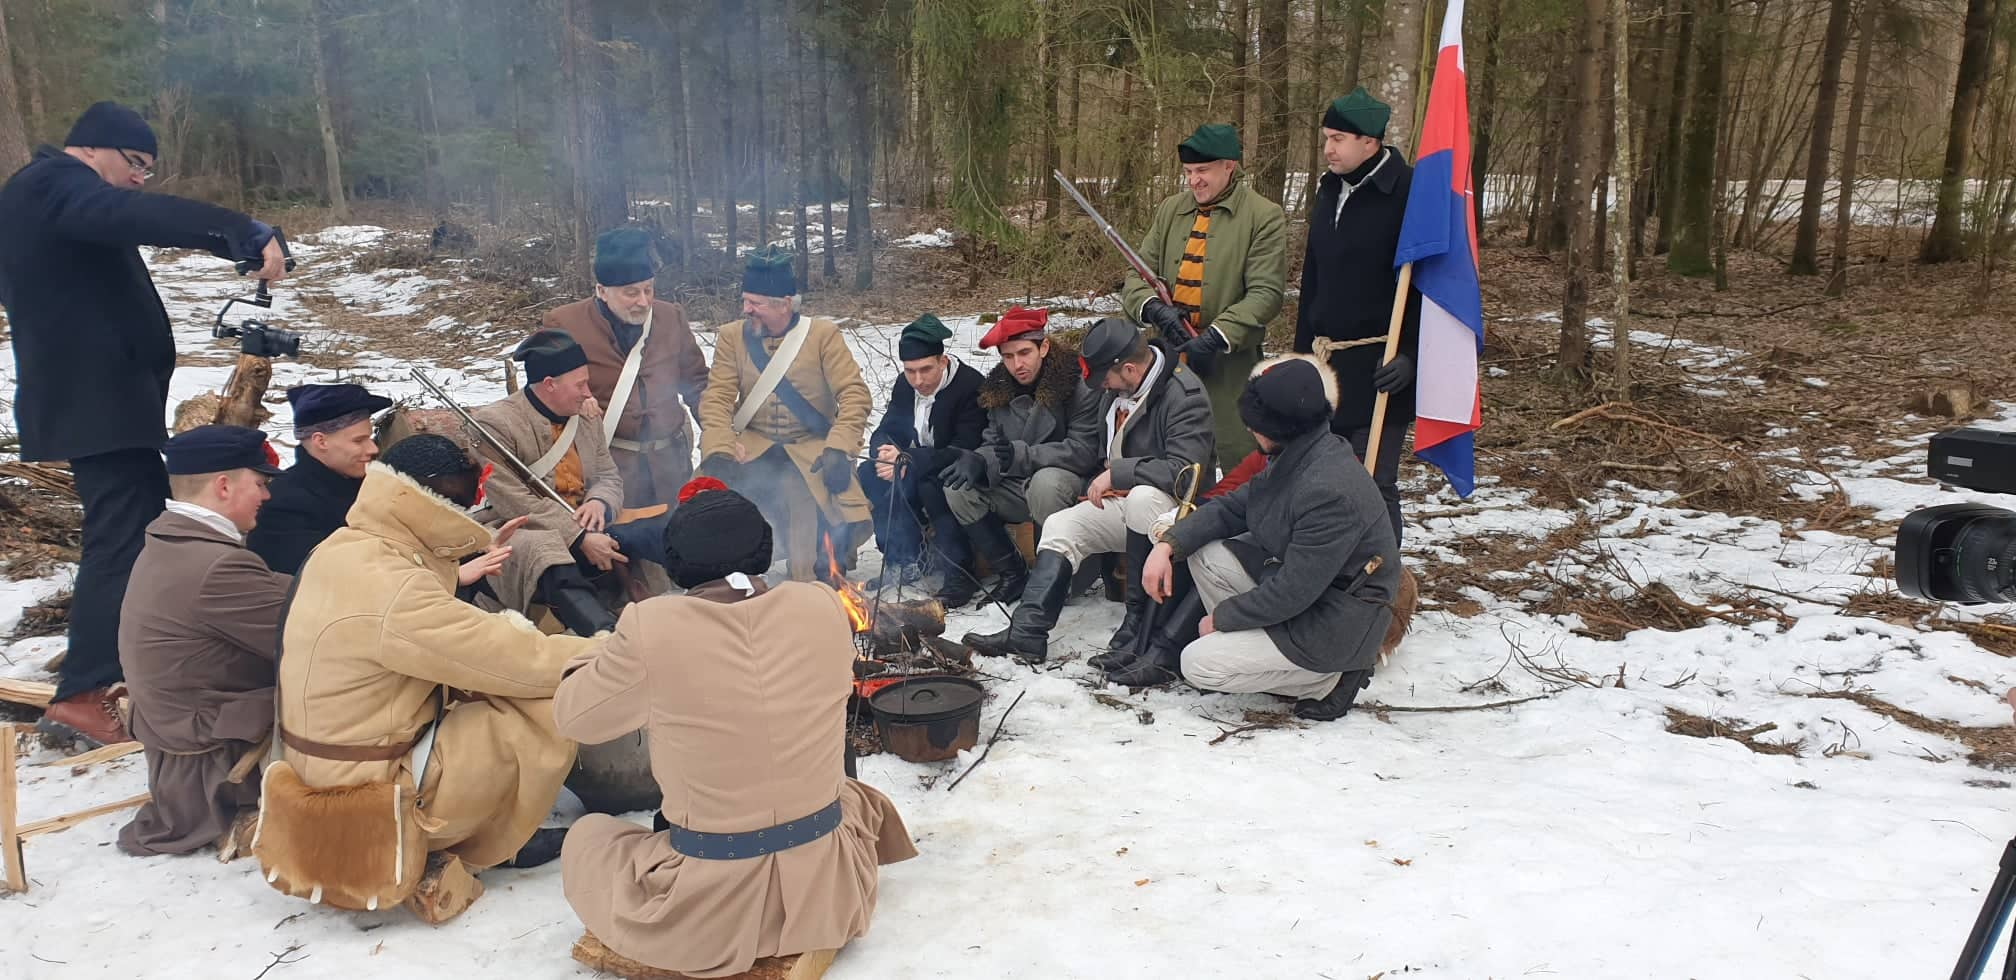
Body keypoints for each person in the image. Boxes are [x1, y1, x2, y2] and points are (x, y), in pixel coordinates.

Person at [0, 101, 290, 748]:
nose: (138, 180)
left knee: (137, 532)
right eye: (134, 164)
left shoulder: (50, 197)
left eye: (147, 170)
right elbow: (130, 214)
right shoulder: (52, 185)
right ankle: (83, 694)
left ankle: (126, 666)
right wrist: (237, 230)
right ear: (92, 149)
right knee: (122, 539)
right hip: (94, 404)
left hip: (102, 402)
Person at [556, 485, 916, 978]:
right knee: (846, 793)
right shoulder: (822, 604)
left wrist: (598, 652)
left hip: (712, 906)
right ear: (764, 549)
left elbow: (575, 718)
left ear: (676, 561)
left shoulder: (649, 627)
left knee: (588, 836)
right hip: (828, 891)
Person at [259, 435, 594, 918]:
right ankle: (489, 841)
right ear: (434, 503)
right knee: (547, 698)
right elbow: (518, 660)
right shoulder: (394, 586)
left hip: (329, 765)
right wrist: (611, 651)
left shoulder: (344, 547)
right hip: (371, 791)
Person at [1137, 355, 1402, 719]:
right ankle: (1268, 657)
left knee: (1198, 664)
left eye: (1255, 424)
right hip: (1307, 598)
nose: (1249, 430)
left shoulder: (1329, 489)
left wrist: (1224, 618)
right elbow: (1232, 508)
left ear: (1280, 428)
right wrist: (1168, 545)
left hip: (1337, 620)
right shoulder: (1297, 454)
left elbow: (1295, 591)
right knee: (1204, 552)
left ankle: (1329, 679)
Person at [963, 318, 1214, 664]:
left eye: (1106, 379)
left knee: (1142, 498)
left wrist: (1118, 475)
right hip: (1121, 503)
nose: (1101, 387)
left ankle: (1138, 625)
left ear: (1128, 368)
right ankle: (1027, 632)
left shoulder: (1183, 396)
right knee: (1061, 526)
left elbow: (1188, 474)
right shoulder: (1117, 389)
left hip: (1171, 511)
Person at [116, 425, 289, 858]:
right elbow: (314, 635)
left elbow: (280, 589)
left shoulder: (173, 540)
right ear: (224, 485)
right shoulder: (216, 565)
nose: (266, 496)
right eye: (260, 484)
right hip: (217, 770)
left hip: (183, 747)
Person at [472, 329, 673, 636]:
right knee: (547, 553)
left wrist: (599, 502)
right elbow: (512, 500)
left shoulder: (585, 414)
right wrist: (577, 536)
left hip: (586, 516)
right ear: (549, 384)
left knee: (660, 529)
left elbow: (607, 475)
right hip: (525, 525)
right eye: (580, 384)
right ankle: (601, 636)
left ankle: (683, 609)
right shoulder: (495, 424)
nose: (587, 392)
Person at [1120, 123, 1286, 477]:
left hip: (1231, 367)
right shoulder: (1169, 211)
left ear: (1229, 166)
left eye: (1203, 171)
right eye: (1189, 172)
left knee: (1241, 462)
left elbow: (1266, 293)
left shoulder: (1263, 216)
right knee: (1172, 458)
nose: (1194, 180)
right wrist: (1155, 309)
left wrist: (1215, 336)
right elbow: (1137, 274)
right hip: (1169, 361)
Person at [697, 250, 873, 582]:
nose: (746, 309)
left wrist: (838, 448)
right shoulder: (732, 337)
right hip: (754, 444)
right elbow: (717, 398)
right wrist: (719, 448)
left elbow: (854, 395)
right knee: (702, 495)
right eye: (746, 300)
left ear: (785, 303)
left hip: (810, 445)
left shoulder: (823, 336)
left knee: (803, 490)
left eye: (756, 303)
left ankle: (807, 581)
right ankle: (722, 579)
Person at [1295, 88, 1423, 544]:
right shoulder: (1329, 189)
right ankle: (1336, 574)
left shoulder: (1410, 192)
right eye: (1326, 137)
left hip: (1381, 365)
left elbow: (1430, 286)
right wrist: (1301, 359)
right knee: (1322, 479)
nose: (1328, 148)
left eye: (1339, 138)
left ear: (1370, 142)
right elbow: (1313, 278)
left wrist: (1412, 355)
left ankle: (1383, 589)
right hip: (1327, 364)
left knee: (1373, 482)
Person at [935, 306, 1102, 606]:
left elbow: (1084, 451)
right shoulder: (998, 389)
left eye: (1024, 352)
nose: (1017, 364)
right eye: (1008, 356)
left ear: (1045, 346)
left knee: (1045, 482)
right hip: (1019, 485)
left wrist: (1021, 455)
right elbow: (993, 442)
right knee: (958, 488)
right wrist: (979, 460)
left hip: (1070, 485)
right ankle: (1012, 573)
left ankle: (1054, 578)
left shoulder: (1078, 383)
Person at [542, 227, 710, 510]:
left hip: (671, 468)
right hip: (609, 472)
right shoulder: (564, 324)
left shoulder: (671, 317)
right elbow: (545, 392)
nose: (643, 302)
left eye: (648, 290)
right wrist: (576, 400)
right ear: (602, 291)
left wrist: (719, 435)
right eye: (631, 293)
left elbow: (697, 384)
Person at [857, 314, 986, 603]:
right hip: (916, 462)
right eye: (910, 371)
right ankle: (901, 559)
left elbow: (964, 447)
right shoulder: (907, 386)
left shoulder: (969, 386)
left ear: (943, 361)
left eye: (925, 370)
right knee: (869, 473)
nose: (917, 380)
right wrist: (887, 455)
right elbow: (888, 428)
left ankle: (959, 573)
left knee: (931, 484)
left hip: (959, 469)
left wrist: (908, 459)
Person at [245, 383, 396, 574]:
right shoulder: (284, 505)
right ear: (321, 441)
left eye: (370, 438)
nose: (373, 449)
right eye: (358, 441)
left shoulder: (368, 483)